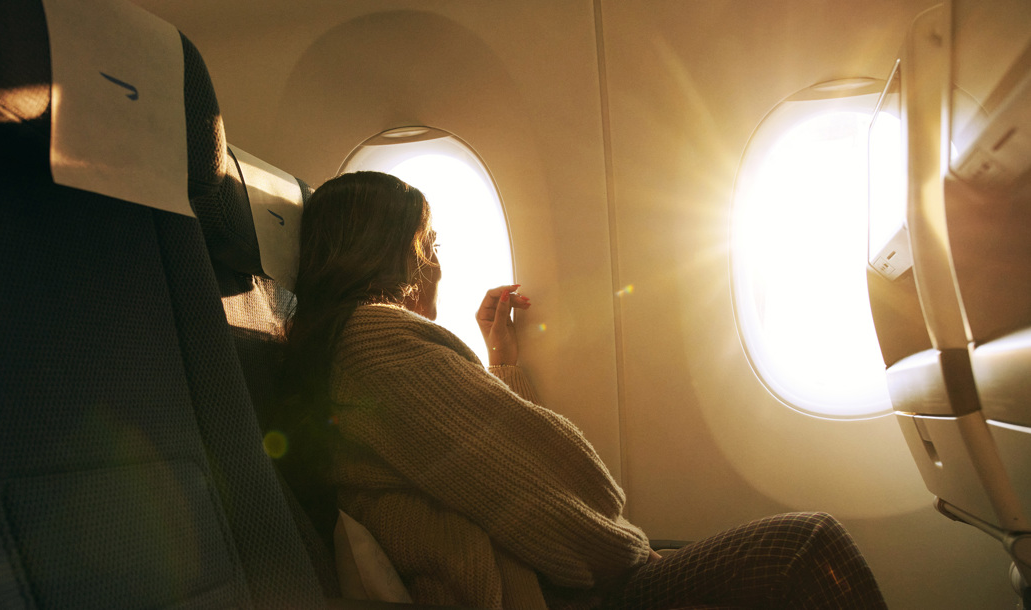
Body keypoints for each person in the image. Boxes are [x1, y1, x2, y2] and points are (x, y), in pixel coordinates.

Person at [278, 170, 887, 609]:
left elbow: (487, 468)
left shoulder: (345, 348)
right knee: (807, 547)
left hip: (550, 582)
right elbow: (570, 487)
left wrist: (501, 363)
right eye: (428, 246)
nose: (436, 264)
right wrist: (638, 558)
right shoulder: (375, 341)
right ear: (384, 256)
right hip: (558, 594)